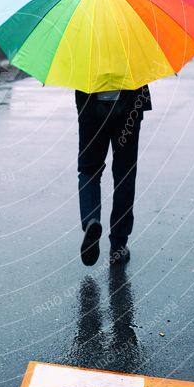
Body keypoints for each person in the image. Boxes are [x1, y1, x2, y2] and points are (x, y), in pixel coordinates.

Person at [76, 85, 151, 266]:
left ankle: (91, 219)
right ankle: (118, 245)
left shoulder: (84, 54)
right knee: (125, 175)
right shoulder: (135, 53)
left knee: (89, 170)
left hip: (91, 106)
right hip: (128, 108)